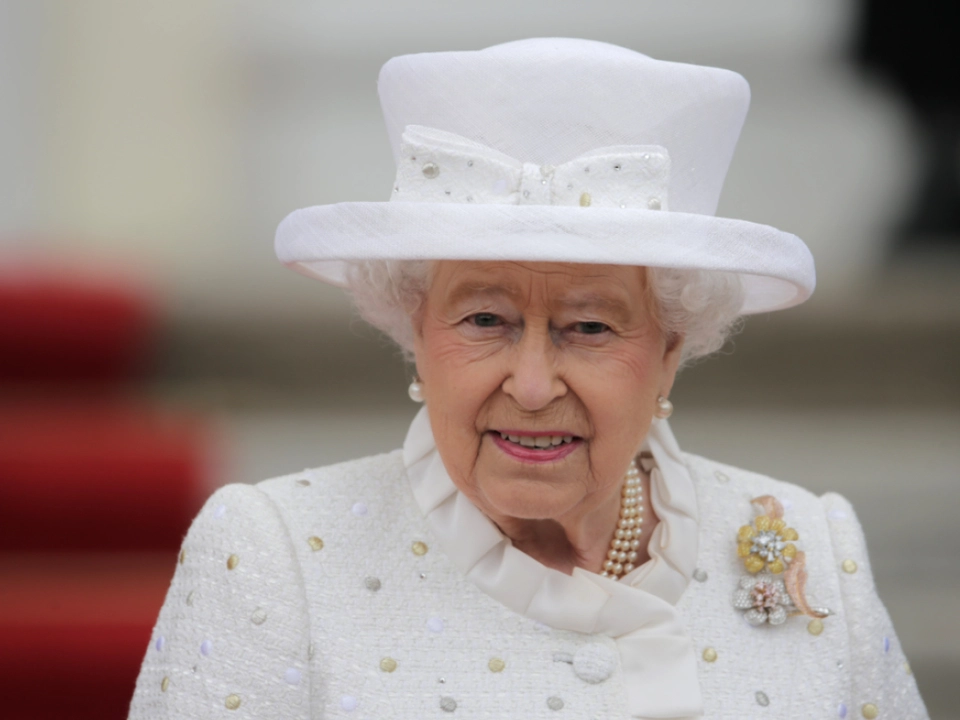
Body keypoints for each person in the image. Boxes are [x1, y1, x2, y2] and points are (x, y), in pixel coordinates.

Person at [128, 38, 928, 719]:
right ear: (416, 331)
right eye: (484, 320)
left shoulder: (813, 547)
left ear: (671, 351)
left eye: (589, 327)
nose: (535, 384)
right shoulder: (274, 553)